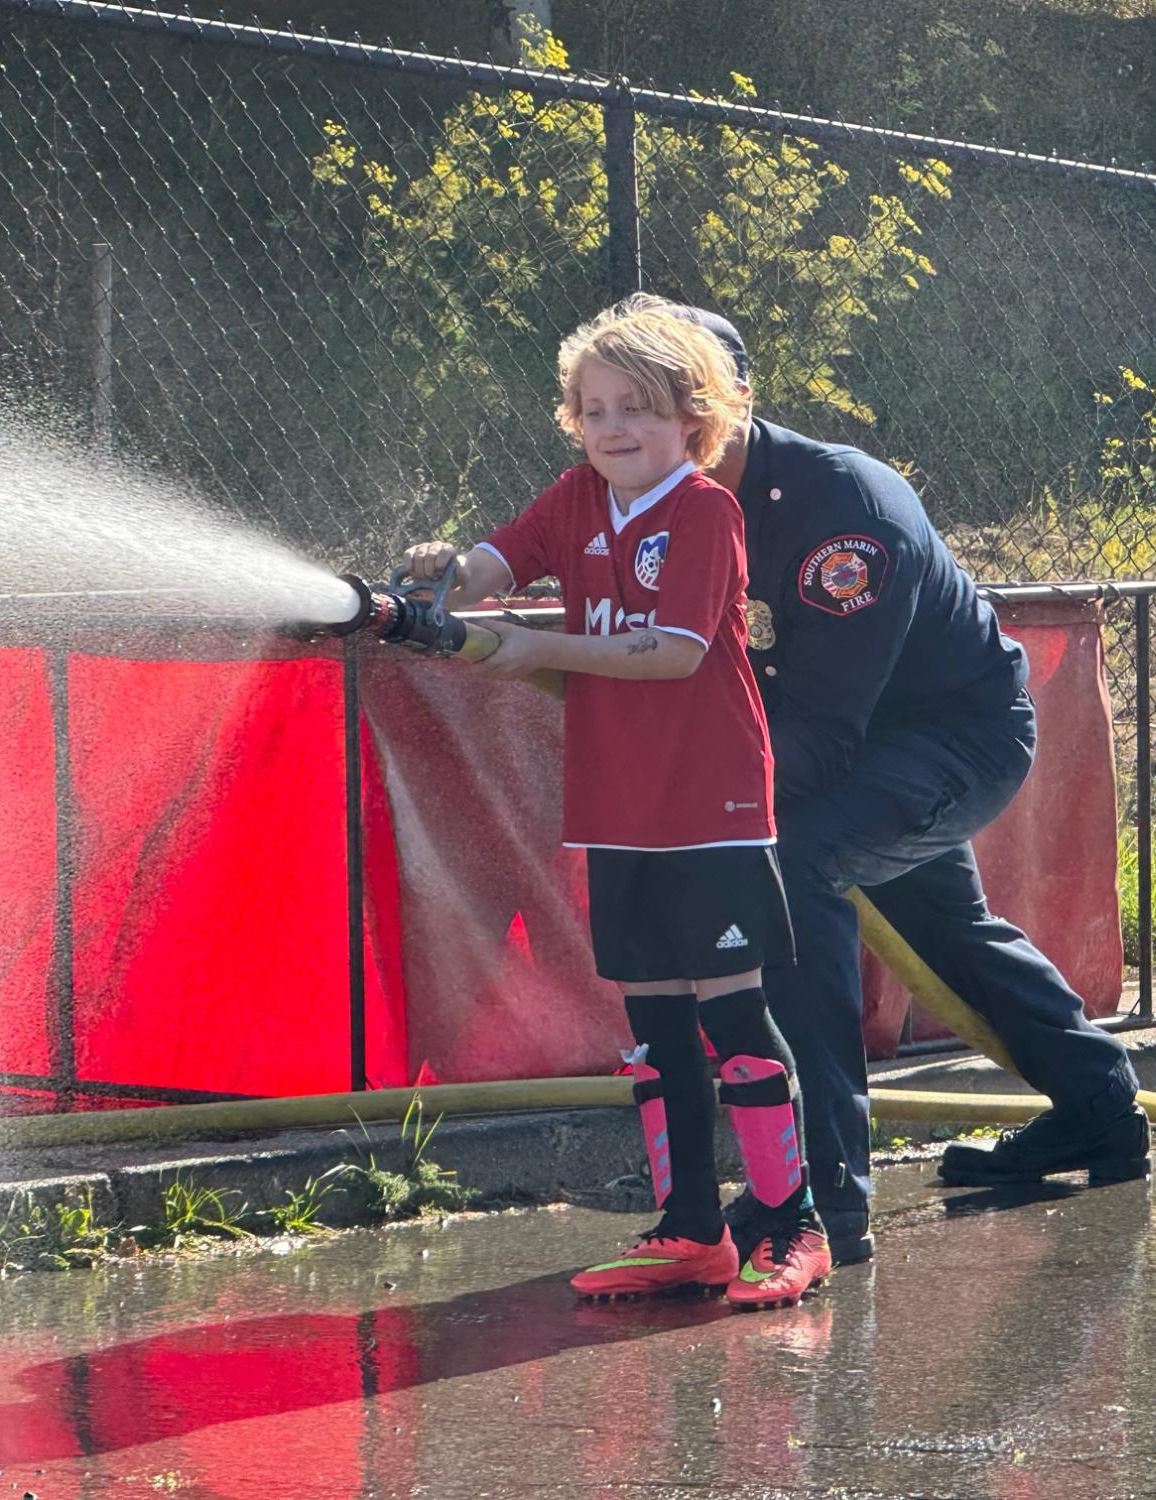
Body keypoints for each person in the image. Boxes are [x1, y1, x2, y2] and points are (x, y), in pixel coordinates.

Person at [660, 299, 1150, 1268]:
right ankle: (1100, 1112)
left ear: (735, 402)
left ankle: (824, 1198)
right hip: (844, 733)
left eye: (681, 402)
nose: (649, 430)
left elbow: (824, 734)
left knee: (798, 865)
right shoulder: (654, 488)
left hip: (946, 739)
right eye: (625, 404)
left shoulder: (840, 513)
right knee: (946, 935)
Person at [400, 302, 832, 1310]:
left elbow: (670, 653)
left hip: (711, 807)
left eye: (634, 407)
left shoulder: (705, 514)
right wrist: (447, 572)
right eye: (592, 409)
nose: (610, 429)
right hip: (616, 812)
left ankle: (790, 1224)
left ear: (694, 416)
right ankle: (689, 1231)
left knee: (734, 1019)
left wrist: (536, 647)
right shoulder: (575, 499)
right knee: (654, 1030)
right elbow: (495, 562)